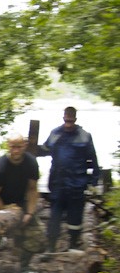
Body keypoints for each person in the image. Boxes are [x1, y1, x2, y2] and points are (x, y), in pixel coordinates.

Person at [38, 107, 100, 251]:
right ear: (63, 118)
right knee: (54, 216)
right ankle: (51, 246)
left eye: (71, 121)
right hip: (57, 183)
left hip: (77, 183)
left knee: (75, 216)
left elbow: (94, 159)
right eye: (66, 120)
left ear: (75, 119)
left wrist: (94, 181)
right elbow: (45, 149)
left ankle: (73, 243)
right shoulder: (55, 133)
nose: (68, 124)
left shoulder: (84, 136)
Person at [0, 132, 45, 273]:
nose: (16, 151)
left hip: (20, 203)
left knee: (38, 235)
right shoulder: (1, 166)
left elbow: (33, 189)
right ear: (8, 146)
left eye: (19, 147)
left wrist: (29, 213)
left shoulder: (31, 163)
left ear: (25, 146)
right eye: (13, 147)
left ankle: (24, 266)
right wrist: (4, 213)